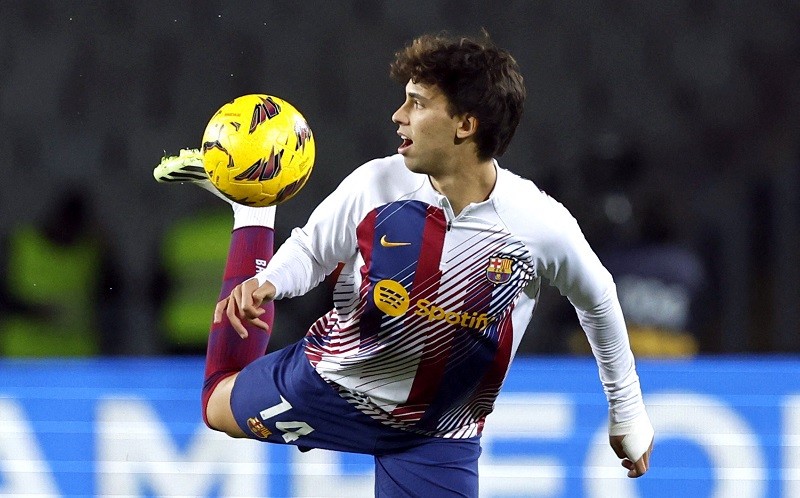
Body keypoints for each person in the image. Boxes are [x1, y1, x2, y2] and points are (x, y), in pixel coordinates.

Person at [154, 31, 654, 496]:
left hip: (439, 432)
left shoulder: (538, 224)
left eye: (417, 103)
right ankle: (253, 210)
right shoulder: (376, 184)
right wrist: (269, 282)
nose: (398, 115)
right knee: (217, 406)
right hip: (334, 383)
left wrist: (627, 411)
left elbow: (599, 300)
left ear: (465, 124)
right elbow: (311, 249)